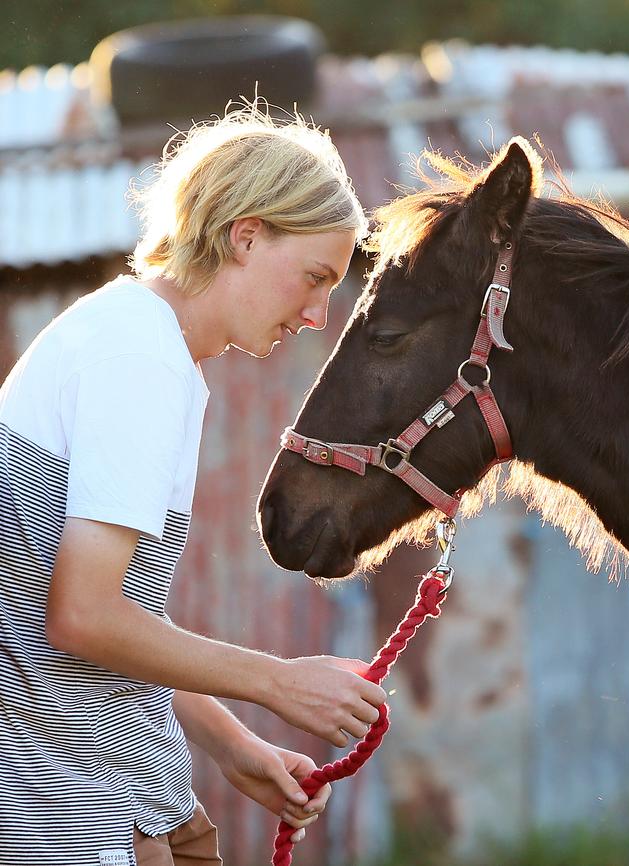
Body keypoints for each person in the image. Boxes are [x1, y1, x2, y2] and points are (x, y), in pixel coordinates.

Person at [0, 104, 386, 866]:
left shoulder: (134, 338)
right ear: (246, 236)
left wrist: (232, 744)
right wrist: (276, 683)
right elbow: (80, 617)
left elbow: (123, 623)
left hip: (108, 788)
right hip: (71, 809)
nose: (317, 314)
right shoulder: (138, 357)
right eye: (315, 278)